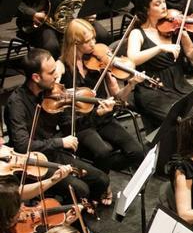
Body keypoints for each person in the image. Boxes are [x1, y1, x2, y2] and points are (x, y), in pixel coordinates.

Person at [4, 48, 110, 233]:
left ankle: (80, 211)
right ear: (36, 77)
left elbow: (69, 126)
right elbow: (23, 146)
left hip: (55, 154)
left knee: (101, 179)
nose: (57, 75)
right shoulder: (17, 103)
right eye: (51, 72)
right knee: (80, 188)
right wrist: (60, 142)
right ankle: (76, 226)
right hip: (34, 163)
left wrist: (96, 114)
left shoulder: (53, 94)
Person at [59, 19, 145, 182]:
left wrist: (131, 85)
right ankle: (102, 183)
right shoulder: (63, 67)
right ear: (75, 43)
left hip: (103, 119)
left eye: (94, 39)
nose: (93, 44)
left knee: (136, 151)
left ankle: (99, 171)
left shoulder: (98, 62)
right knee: (102, 152)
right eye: (88, 41)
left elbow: (118, 97)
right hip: (80, 123)